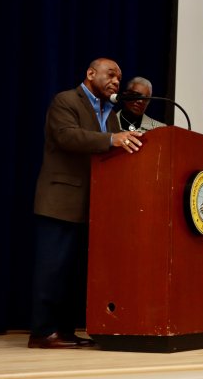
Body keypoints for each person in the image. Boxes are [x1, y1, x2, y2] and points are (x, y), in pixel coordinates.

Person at [30, 58, 144, 349]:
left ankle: (66, 331)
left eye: (119, 77)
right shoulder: (66, 100)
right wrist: (112, 140)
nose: (116, 81)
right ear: (91, 74)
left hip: (95, 207)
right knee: (53, 269)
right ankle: (43, 332)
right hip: (61, 200)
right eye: (111, 74)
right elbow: (67, 137)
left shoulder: (113, 115)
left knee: (75, 273)